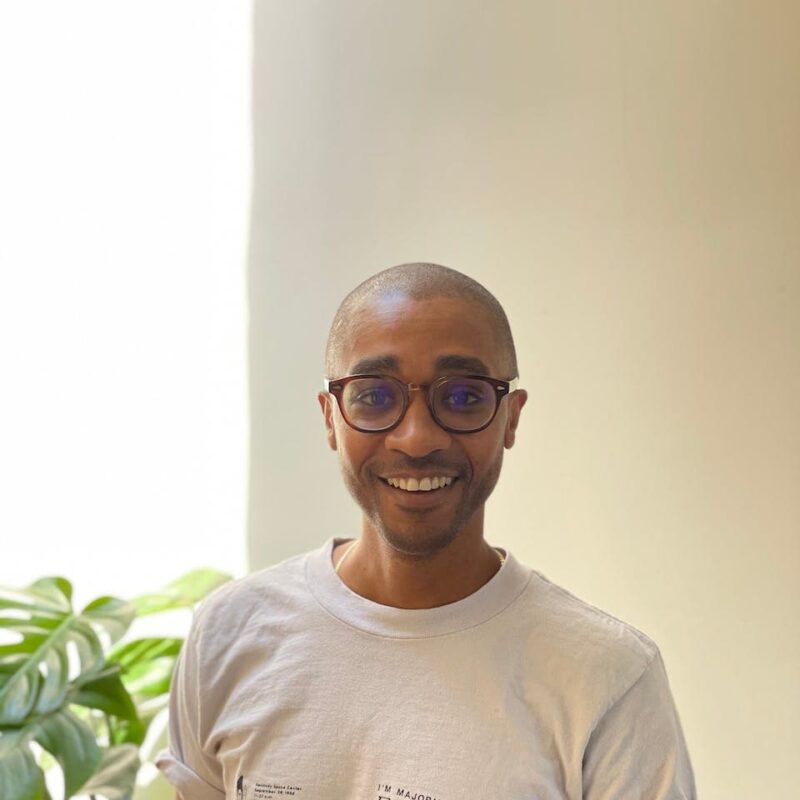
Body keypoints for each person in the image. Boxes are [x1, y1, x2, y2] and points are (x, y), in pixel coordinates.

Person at [156, 262, 697, 799]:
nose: (416, 439)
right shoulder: (229, 635)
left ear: (511, 417)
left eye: (462, 396)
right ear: (329, 417)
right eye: (375, 396)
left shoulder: (607, 676)